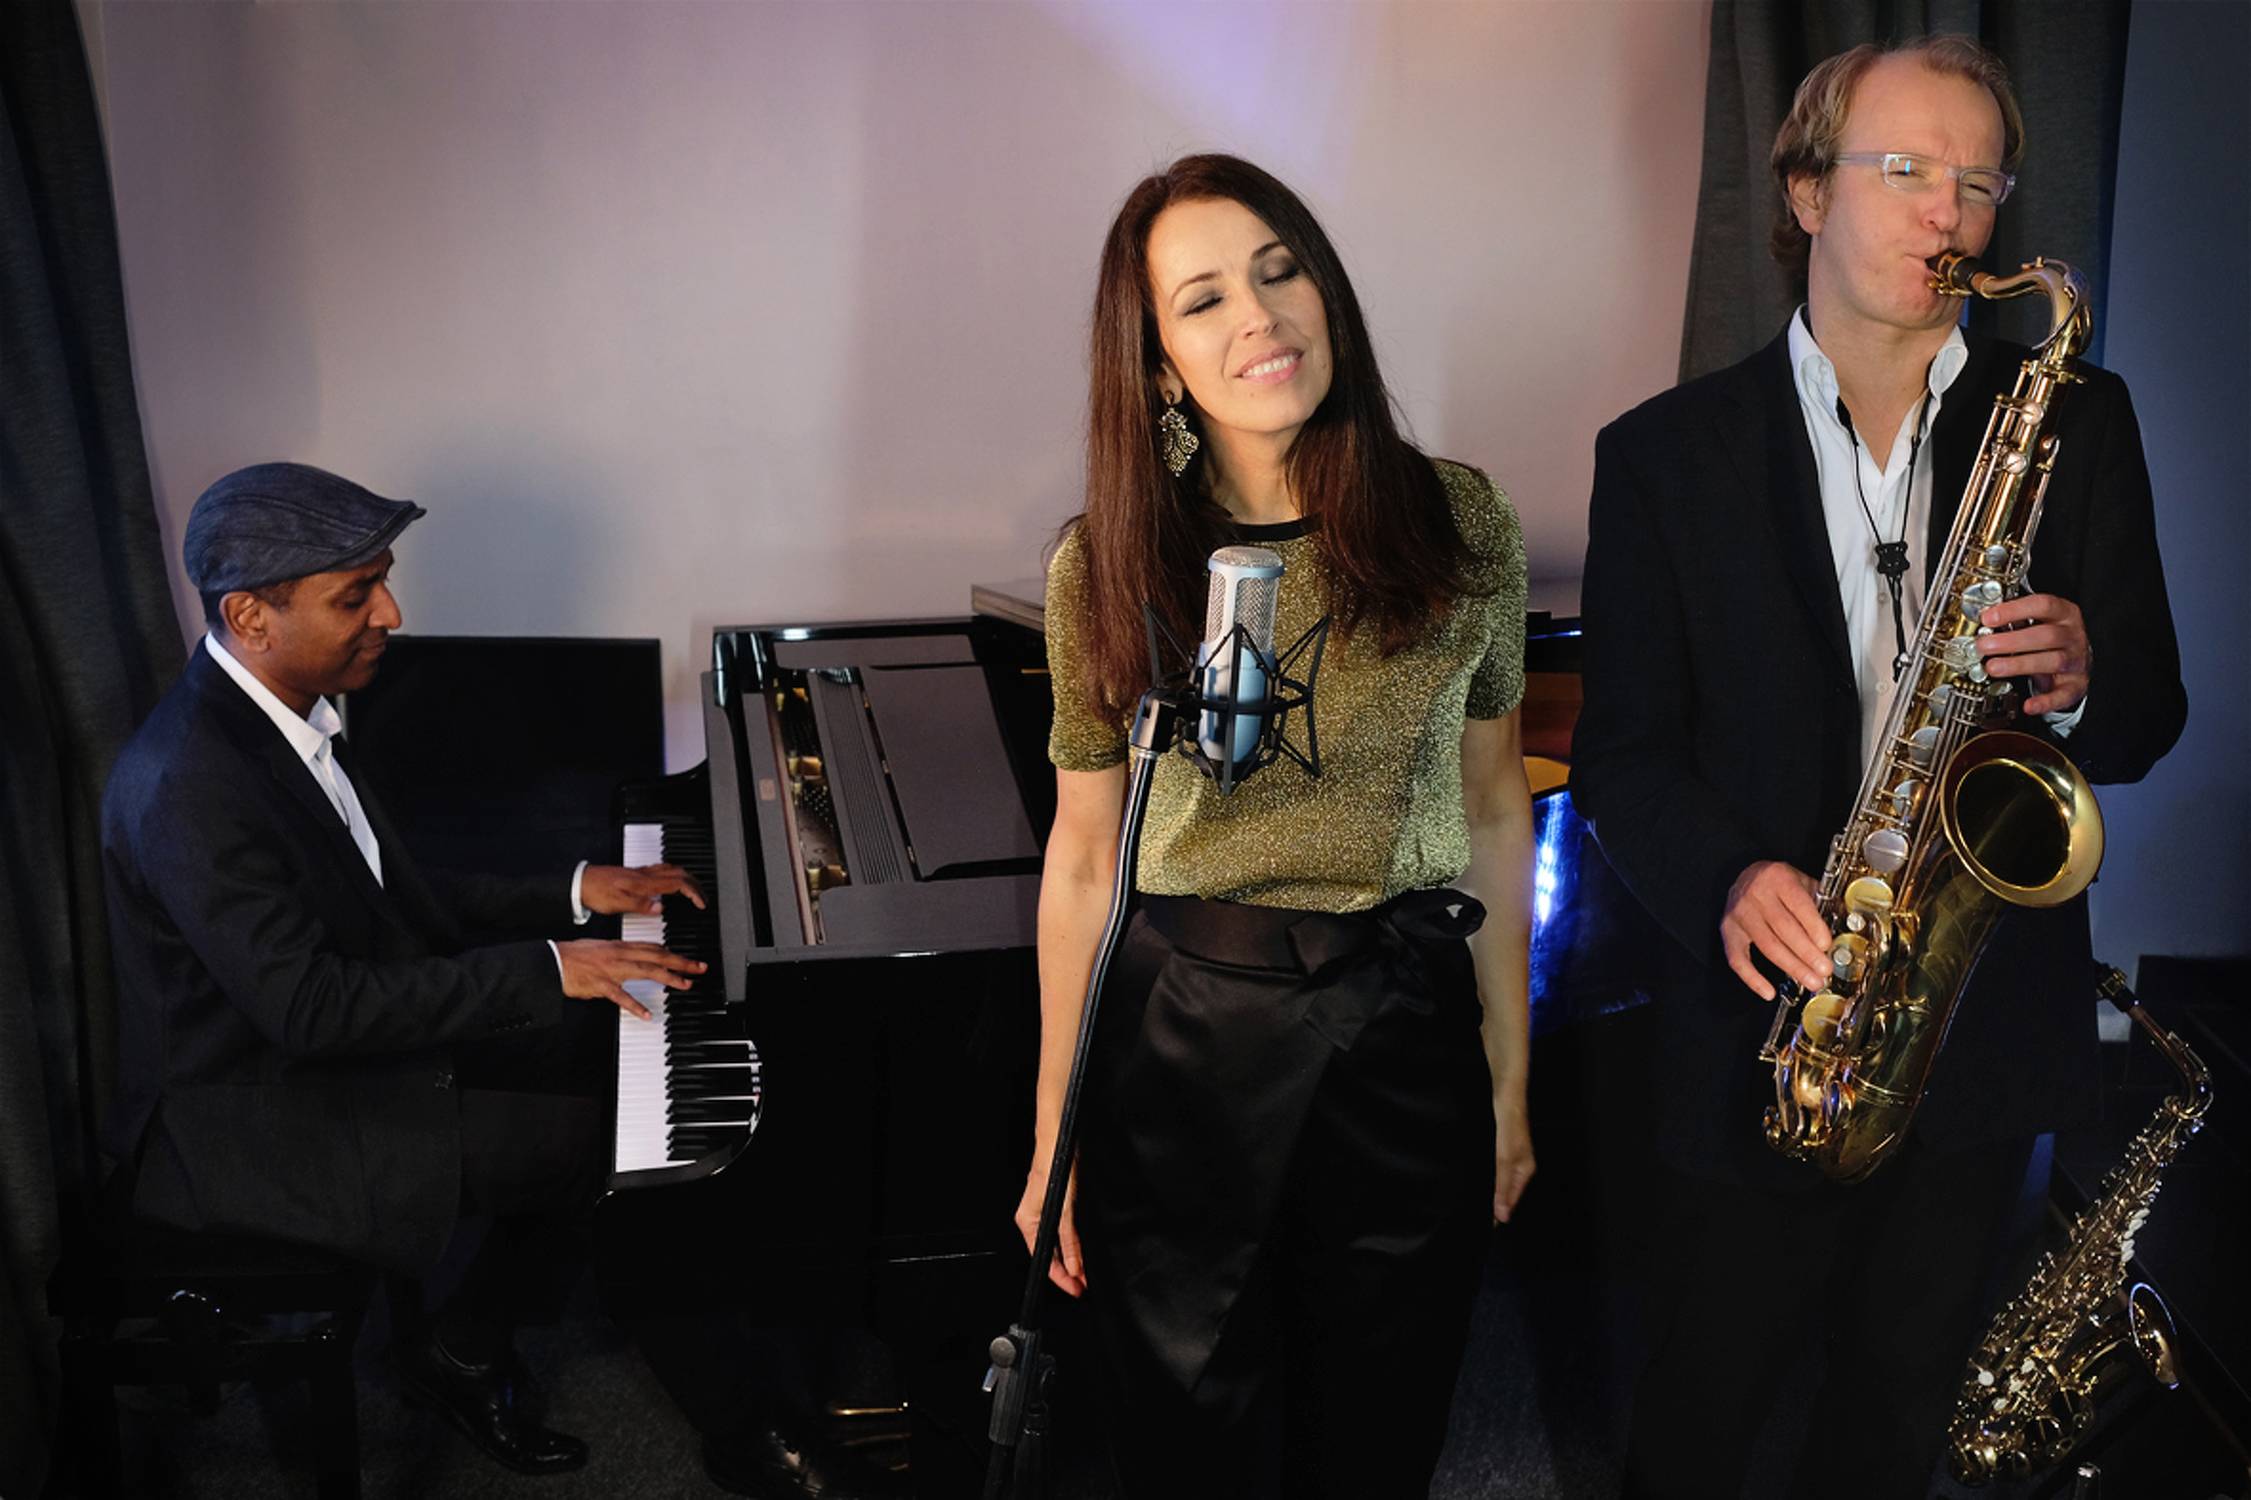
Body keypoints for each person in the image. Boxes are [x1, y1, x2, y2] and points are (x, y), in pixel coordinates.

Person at [1570, 38, 2186, 1499]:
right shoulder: (1662, 455)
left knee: (1893, 1427)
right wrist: (1729, 879)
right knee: (1699, 1416)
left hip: (1979, 1026)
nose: (1947, 212)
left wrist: (2086, 680)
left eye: (1977, 181)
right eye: (1904, 168)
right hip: (1764, 1023)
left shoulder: (2076, 419)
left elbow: (2146, 720)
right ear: (1802, 193)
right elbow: (1621, 756)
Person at [1021, 154, 1537, 1499]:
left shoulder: (1460, 519)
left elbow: (1494, 807)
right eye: (1202, 300)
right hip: (1181, 1042)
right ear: (1156, 366)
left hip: (1401, 1021)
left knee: (1379, 1428)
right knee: (1185, 1436)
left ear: (1325, 293)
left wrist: (1508, 1073)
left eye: (1278, 270)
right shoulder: (1103, 563)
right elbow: (1082, 860)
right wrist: (1050, 1133)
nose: (1257, 316)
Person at [100, 462, 708, 1475]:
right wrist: (547, 967)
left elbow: (390, 892)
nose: (390, 614)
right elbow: (311, 1010)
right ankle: (494, 1359)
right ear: (251, 616)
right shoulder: (190, 786)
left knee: (607, 1049)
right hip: (257, 1120)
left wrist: (573, 890)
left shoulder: (286, 713)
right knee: (615, 1143)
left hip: (315, 1062)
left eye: (380, 582)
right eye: (355, 596)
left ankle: (463, 1337)